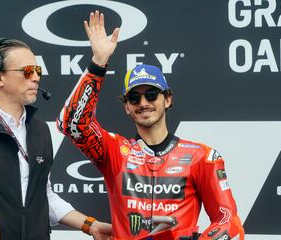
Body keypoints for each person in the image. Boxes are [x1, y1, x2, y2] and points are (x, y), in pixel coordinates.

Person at [58, 11, 245, 240]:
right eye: (134, 98)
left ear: (167, 100)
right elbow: (72, 123)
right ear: (126, 106)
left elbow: (229, 221)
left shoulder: (202, 157)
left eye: (151, 95)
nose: (143, 103)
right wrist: (98, 63)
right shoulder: (115, 152)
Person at [0, 37, 112, 240]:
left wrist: (91, 226)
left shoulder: (40, 130)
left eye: (38, 71)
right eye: (28, 71)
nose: (36, 78)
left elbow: (44, 196)